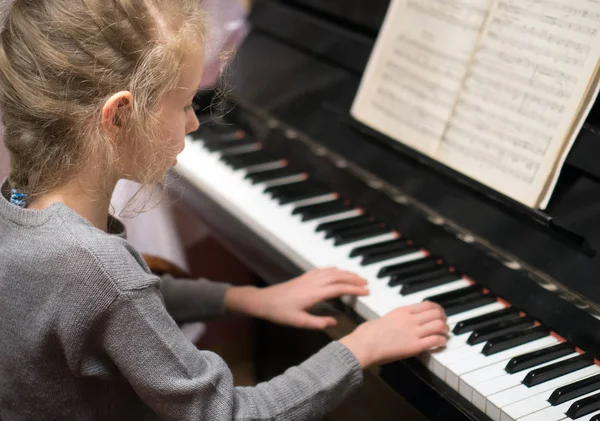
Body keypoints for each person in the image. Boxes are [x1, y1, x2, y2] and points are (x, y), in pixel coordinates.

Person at [0, 0, 449, 420]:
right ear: (118, 117)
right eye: (182, 106)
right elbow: (226, 413)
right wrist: (360, 348)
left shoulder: (18, 201)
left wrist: (245, 298)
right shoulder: (95, 267)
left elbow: (110, 307)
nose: (194, 122)